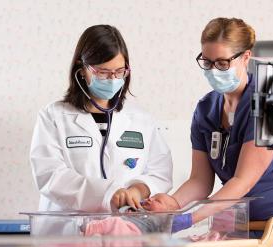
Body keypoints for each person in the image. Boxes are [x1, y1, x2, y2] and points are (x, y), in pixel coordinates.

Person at [146, 18, 273, 247]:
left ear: (245, 57)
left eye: (222, 62)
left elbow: (243, 180)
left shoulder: (268, 100)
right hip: (239, 220)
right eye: (206, 62)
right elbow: (200, 180)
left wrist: (189, 219)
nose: (213, 70)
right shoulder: (206, 109)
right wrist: (172, 205)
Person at [30, 25, 172, 216]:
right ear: (82, 70)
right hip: (68, 233)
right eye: (103, 72)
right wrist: (107, 193)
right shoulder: (53, 116)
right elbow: (50, 176)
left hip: (125, 232)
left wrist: (138, 190)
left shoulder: (141, 120)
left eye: (119, 71)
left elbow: (160, 172)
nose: (112, 79)